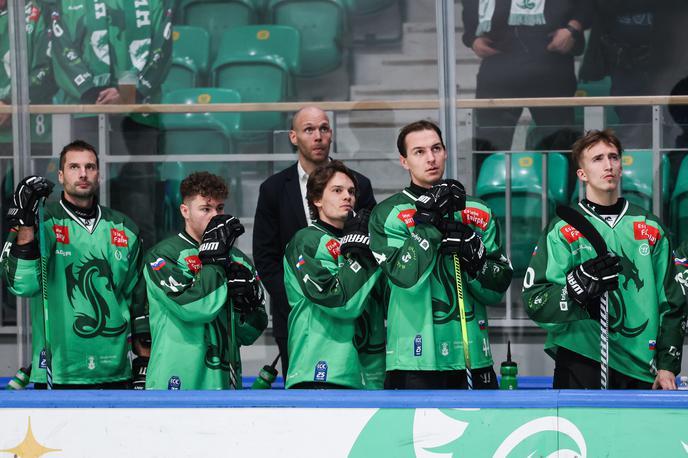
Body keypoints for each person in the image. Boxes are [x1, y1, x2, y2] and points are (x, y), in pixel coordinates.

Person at [523, 129, 686, 389]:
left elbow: (673, 303)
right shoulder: (563, 228)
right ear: (582, 174)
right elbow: (535, 300)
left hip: (640, 365)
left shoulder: (649, 226)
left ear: (621, 168)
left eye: (613, 157)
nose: (608, 165)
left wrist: (667, 365)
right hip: (581, 357)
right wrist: (573, 290)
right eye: (597, 159)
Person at [369, 120, 512, 389]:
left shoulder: (478, 210)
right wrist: (430, 224)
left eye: (436, 148)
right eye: (419, 152)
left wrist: (476, 259)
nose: (431, 158)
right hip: (414, 360)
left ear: (446, 152)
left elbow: (497, 289)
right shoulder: (388, 213)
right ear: (404, 161)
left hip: (473, 358)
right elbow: (403, 276)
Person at [1, 139, 142, 388]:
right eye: (74, 167)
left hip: (115, 370)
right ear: (61, 175)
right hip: (59, 370)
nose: (83, 174)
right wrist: (26, 226)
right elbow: (22, 285)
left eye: (90, 167)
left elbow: (138, 300)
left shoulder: (124, 228)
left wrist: (143, 360)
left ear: (99, 173)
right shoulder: (43, 222)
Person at [253, 106, 376, 377]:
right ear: (293, 137)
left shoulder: (360, 185)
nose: (318, 136)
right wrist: (303, 298)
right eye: (309, 129)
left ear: (331, 134)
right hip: (296, 314)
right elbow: (265, 256)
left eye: (323, 128)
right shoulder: (273, 189)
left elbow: (372, 246)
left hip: (352, 315)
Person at [44, 0, 175, 249]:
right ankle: (84, 272)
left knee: (139, 204)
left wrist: (128, 93)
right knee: (81, 198)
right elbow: (61, 47)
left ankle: (142, 280)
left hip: (139, 116)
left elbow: (163, 47)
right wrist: (90, 91)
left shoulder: (155, 3)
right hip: (86, 115)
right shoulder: (69, 4)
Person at [141, 172, 267, 390]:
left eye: (219, 209)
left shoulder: (238, 259)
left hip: (224, 382)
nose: (215, 216)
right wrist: (215, 260)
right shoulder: (163, 255)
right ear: (185, 211)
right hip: (175, 381)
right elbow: (195, 308)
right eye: (205, 209)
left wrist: (248, 305)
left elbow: (250, 333)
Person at [283, 161, 383, 389]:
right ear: (317, 199)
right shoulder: (306, 240)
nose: (347, 197)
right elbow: (337, 300)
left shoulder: (364, 244)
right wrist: (363, 258)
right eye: (337, 191)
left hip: (364, 373)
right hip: (319, 371)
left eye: (351, 192)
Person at [461, 0, 592, 151]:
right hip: (499, 64)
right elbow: (470, 6)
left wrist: (572, 29)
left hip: (549, 62)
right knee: (490, 148)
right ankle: (493, 174)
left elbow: (587, 5)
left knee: (559, 144)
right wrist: (472, 39)